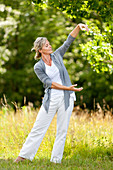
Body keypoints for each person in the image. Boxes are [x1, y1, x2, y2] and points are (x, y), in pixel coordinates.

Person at [14, 23, 89, 163]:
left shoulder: (57, 56)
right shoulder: (38, 66)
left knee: (62, 130)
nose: (50, 46)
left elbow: (69, 41)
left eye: (49, 44)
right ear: (40, 50)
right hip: (52, 98)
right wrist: (69, 88)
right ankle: (23, 156)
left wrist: (78, 27)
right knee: (38, 127)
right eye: (47, 45)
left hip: (66, 98)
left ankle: (56, 160)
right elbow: (50, 83)